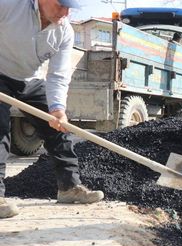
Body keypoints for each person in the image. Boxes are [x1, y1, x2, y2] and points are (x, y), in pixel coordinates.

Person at [0, 0, 104, 219]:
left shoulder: (64, 30)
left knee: (59, 129)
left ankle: (69, 187)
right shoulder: (9, 5)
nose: (65, 12)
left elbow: (58, 75)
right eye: (60, 5)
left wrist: (57, 109)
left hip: (30, 79)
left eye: (69, 7)